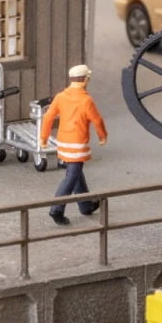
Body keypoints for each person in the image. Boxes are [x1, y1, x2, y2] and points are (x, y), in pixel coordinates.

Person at [40, 64, 108, 226]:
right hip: (77, 143)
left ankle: (86, 205)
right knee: (71, 176)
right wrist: (102, 136)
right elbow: (97, 120)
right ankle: (56, 209)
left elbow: (48, 117)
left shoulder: (60, 97)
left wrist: (44, 138)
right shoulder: (86, 100)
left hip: (63, 142)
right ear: (85, 80)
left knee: (76, 171)